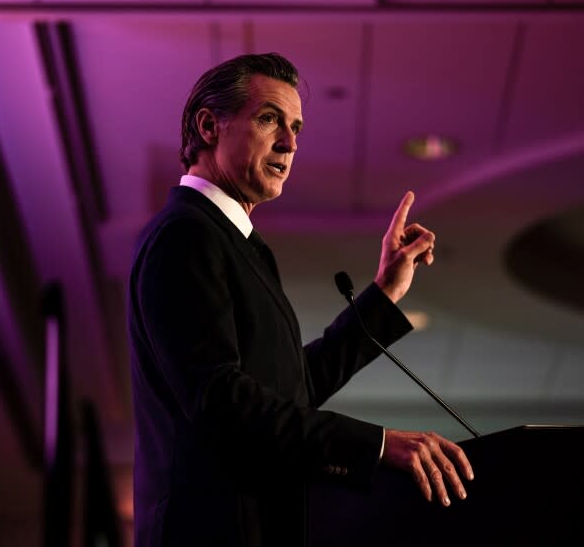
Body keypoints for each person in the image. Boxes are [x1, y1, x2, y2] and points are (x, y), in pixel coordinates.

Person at [127, 53, 473, 546]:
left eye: (296, 127)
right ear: (209, 126)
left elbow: (293, 387)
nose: (290, 143)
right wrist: (375, 446)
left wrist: (384, 293)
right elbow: (220, 400)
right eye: (269, 119)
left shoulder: (235, 242)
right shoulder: (186, 235)